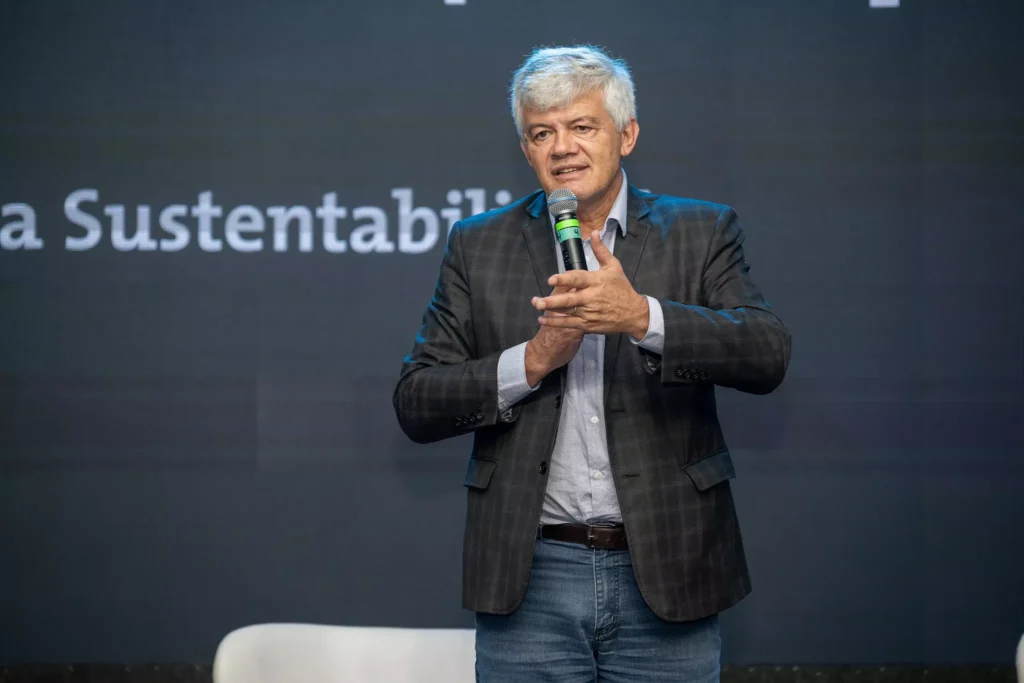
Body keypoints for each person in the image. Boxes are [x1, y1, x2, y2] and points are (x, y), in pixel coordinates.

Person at [393, 45, 791, 683]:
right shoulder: (477, 243)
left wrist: (642, 318)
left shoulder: (701, 230)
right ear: (526, 150)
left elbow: (766, 352)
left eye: (583, 127)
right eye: (542, 133)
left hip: (669, 561)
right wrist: (532, 359)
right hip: (532, 572)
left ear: (626, 135)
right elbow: (416, 401)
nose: (562, 148)